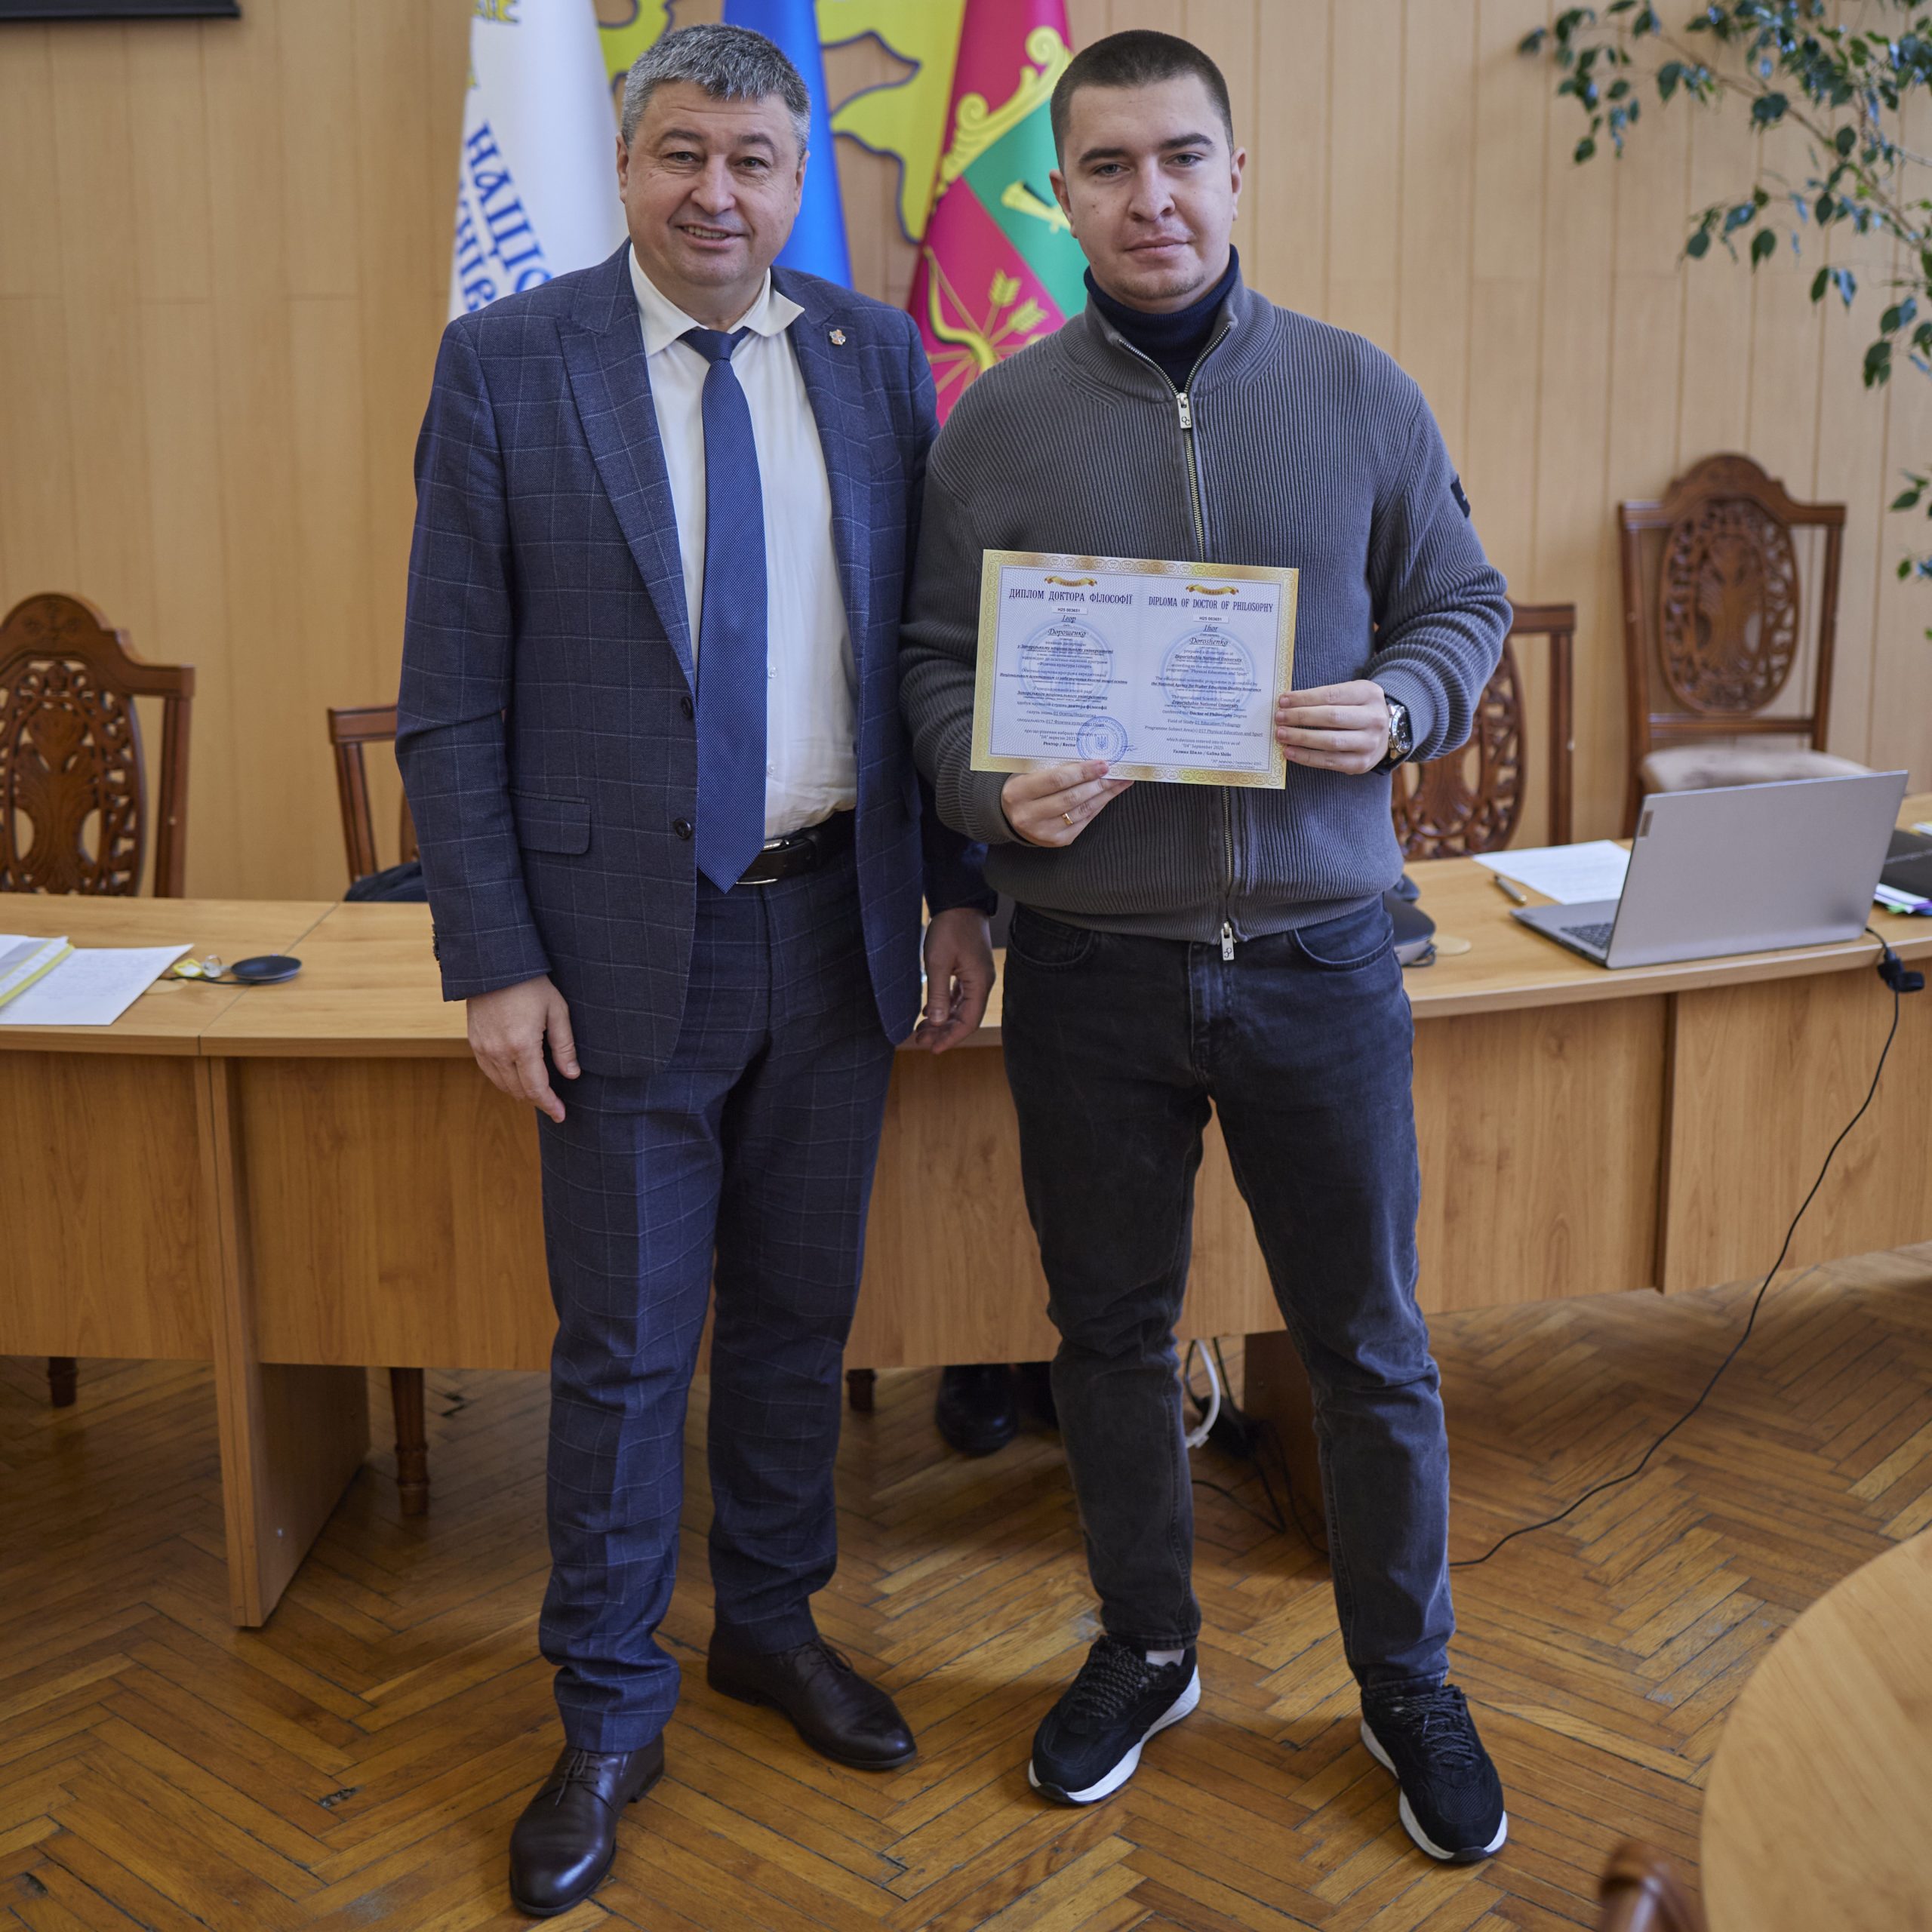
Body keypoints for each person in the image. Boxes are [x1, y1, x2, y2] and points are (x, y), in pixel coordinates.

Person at [398, 24, 994, 1918]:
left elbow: (929, 655)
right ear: (626, 159)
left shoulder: (873, 356)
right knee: (626, 1343)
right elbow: (449, 700)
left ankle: (771, 1622)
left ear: (795, 172)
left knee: (799, 1316)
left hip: (837, 928)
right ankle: (602, 1706)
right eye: (680, 154)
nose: (715, 193)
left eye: (751, 159)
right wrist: (493, 956)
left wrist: (959, 891)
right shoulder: (510, 361)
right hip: (610, 953)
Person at [900, 29, 1512, 1865]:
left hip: (1321, 955)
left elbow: (1459, 603)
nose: (1148, 197)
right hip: (1089, 971)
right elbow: (931, 667)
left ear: (1235, 176)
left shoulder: (1355, 390)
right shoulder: (994, 426)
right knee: (1105, 1333)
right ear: (1058, 193)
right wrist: (989, 785)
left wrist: (1401, 704)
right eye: (1106, 166)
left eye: (1180, 158)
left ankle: (1404, 1674)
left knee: (1367, 1341)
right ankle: (1147, 1644)